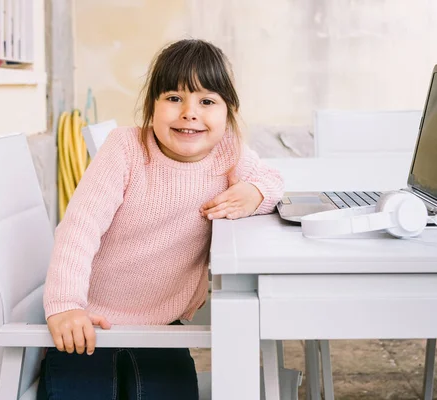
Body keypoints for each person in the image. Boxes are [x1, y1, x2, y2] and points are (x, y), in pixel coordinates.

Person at [37, 38, 284, 400]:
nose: (189, 112)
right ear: (151, 106)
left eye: (207, 101)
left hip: (163, 327)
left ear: (228, 112)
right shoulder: (126, 148)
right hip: (91, 320)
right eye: (173, 98)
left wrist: (255, 193)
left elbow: (274, 180)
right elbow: (79, 229)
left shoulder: (228, 152)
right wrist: (65, 305)